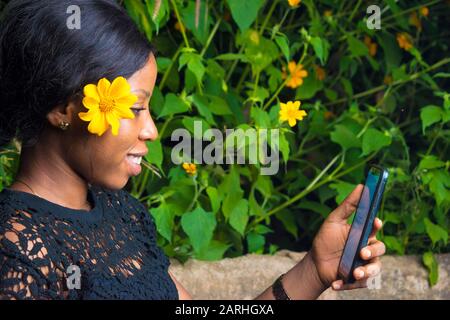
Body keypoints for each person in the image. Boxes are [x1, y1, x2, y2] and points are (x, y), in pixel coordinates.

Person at [0, 0, 385, 300]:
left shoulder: (120, 214)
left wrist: (314, 270)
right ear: (62, 110)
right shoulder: (15, 250)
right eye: (135, 109)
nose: (151, 129)